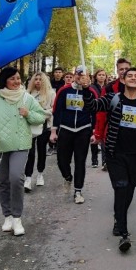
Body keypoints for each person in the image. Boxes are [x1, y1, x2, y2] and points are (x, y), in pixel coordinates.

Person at [80, 68, 136, 253]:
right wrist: (86, 89)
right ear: (123, 80)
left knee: (131, 187)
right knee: (121, 186)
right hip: (115, 153)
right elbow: (92, 106)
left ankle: (119, 216)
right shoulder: (113, 99)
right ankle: (124, 233)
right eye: (129, 76)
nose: (133, 78)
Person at [0, 66, 46, 236]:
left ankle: (17, 218)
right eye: (12, 78)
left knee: (16, 178)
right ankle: (7, 216)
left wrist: (28, 113)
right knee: (3, 181)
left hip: (21, 145)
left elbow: (41, 116)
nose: (16, 81)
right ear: (4, 80)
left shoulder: (26, 98)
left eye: (18, 78)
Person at [50, 66, 99, 204]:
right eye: (79, 75)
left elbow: (94, 112)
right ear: (74, 75)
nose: (81, 78)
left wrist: (94, 132)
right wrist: (54, 131)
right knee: (62, 160)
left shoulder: (91, 92)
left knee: (80, 161)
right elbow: (57, 110)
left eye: (84, 75)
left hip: (83, 130)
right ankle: (67, 177)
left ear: (88, 77)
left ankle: (78, 191)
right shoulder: (64, 90)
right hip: (66, 128)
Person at [24, 72, 55, 192]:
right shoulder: (28, 93)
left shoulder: (51, 93)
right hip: (30, 125)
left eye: (40, 79)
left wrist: (43, 112)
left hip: (44, 125)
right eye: (35, 79)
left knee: (42, 150)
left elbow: (53, 109)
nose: (38, 81)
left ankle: (40, 174)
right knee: (30, 152)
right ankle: (28, 177)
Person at [90, 69, 108, 168]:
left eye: (103, 75)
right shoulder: (92, 87)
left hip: (104, 114)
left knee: (104, 138)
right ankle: (94, 159)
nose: (101, 76)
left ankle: (105, 161)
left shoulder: (107, 87)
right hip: (93, 114)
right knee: (94, 136)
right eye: (99, 75)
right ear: (96, 76)